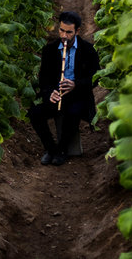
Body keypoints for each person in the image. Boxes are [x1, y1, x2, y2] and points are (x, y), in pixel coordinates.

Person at [28, 11, 100, 166]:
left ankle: (62, 150)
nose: (64, 36)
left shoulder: (88, 50)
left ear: (77, 31)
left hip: (78, 94)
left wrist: (76, 84)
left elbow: (95, 78)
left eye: (69, 32)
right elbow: (44, 79)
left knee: (72, 112)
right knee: (35, 113)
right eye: (61, 30)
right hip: (57, 93)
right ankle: (51, 149)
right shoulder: (50, 50)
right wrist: (50, 92)